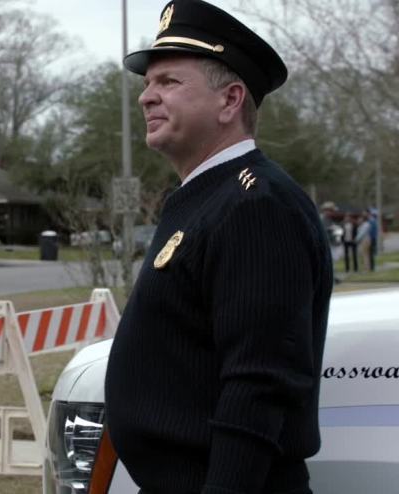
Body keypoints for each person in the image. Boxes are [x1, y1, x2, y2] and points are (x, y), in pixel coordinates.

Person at [104, 1, 334, 493]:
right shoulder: (210, 196)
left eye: (169, 82)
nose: (146, 96)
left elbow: (260, 379)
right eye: (147, 83)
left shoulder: (256, 204)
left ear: (230, 101)